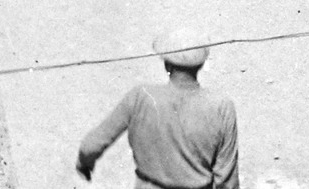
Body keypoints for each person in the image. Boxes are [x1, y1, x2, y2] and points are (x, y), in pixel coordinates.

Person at [77, 29, 239, 189]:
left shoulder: (141, 96)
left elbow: (91, 145)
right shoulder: (222, 106)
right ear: (201, 65)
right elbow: (227, 180)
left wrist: (84, 164)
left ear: (167, 65)